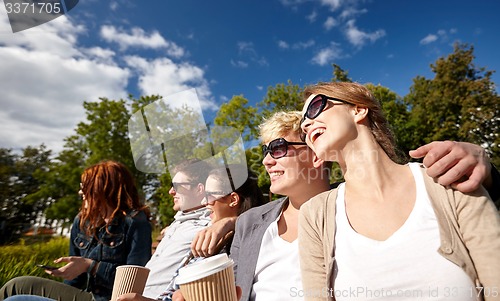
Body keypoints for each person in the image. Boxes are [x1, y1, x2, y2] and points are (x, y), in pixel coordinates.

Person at [298, 82, 500, 300]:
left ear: (358, 109)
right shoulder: (314, 215)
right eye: (303, 127)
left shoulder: (447, 179)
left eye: (315, 107)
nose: (307, 124)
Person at [0, 160, 152, 301]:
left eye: (85, 187)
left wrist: (90, 266)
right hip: (84, 295)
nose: (81, 192)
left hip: (109, 298)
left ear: (105, 189)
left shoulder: (135, 222)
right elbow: (73, 281)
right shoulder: (82, 221)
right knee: (14, 287)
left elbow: (135, 281)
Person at [117, 164, 267, 301]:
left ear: (233, 199)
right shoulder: (212, 238)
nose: (203, 202)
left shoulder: (236, 245)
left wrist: (234, 221)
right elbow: (171, 295)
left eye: (209, 196)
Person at [141, 159, 212, 299]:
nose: (171, 191)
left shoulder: (207, 226)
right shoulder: (179, 222)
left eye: (177, 186)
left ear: (199, 189)